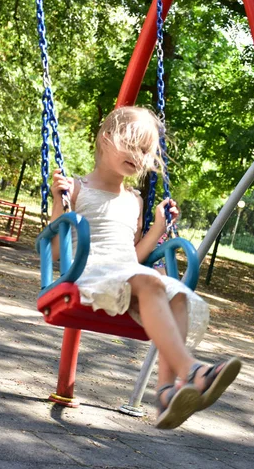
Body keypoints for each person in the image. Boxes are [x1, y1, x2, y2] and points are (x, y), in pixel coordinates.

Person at [51, 105, 241, 429]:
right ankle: (192, 370)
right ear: (107, 137)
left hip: (126, 273)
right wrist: (59, 201)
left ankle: (166, 392)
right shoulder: (77, 188)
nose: (139, 156)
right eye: (133, 144)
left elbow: (133, 256)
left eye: (146, 151)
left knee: (177, 292)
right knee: (152, 283)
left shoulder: (135, 200)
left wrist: (158, 226)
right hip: (89, 271)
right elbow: (57, 252)